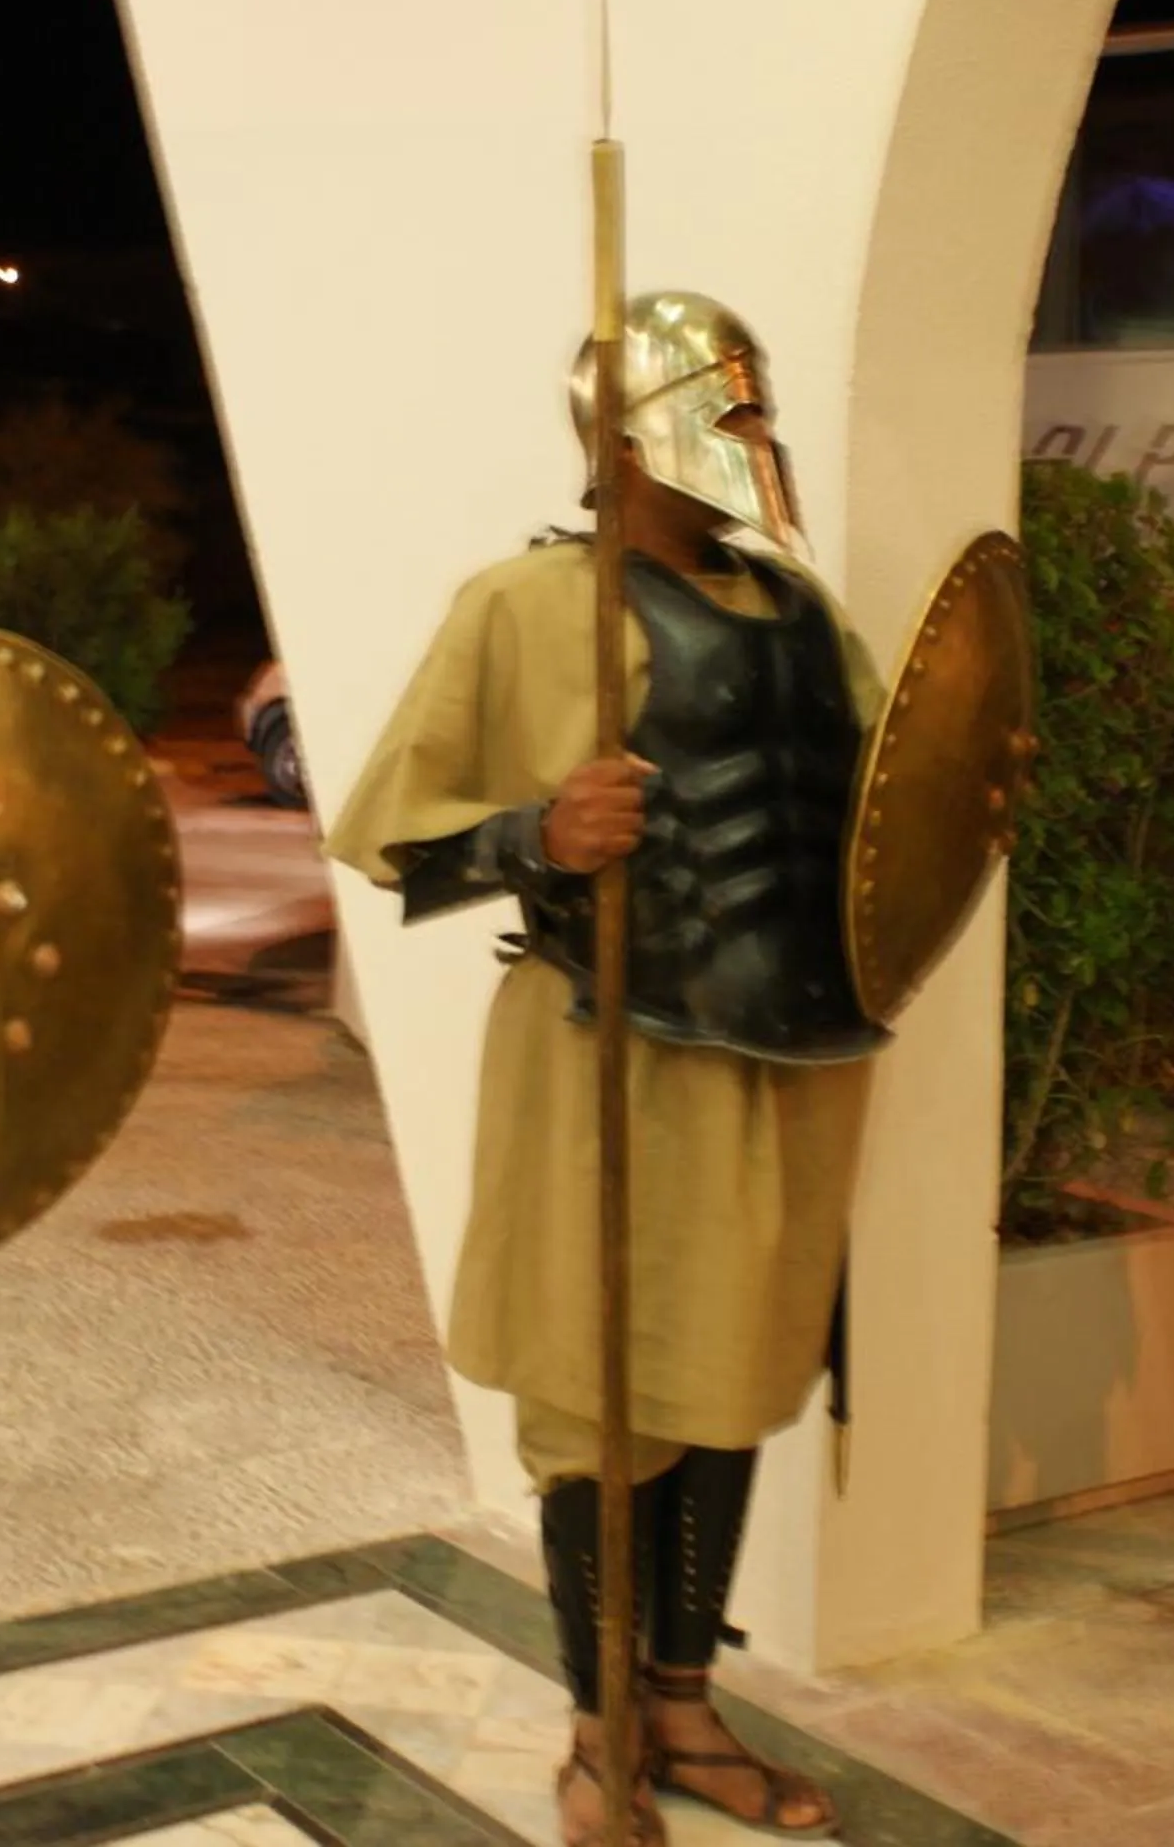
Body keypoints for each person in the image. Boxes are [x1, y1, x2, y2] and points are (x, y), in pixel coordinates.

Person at [326, 291, 873, 1846]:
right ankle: (600, 1725)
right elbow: (393, 830)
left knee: (735, 1376)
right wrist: (536, 835)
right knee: (602, 1395)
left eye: (765, 412)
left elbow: (893, 808)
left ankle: (689, 1705)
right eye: (735, 410)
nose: (759, 442)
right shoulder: (523, 607)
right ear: (635, 434)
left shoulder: (810, 618)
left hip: (793, 1054)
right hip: (608, 1054)